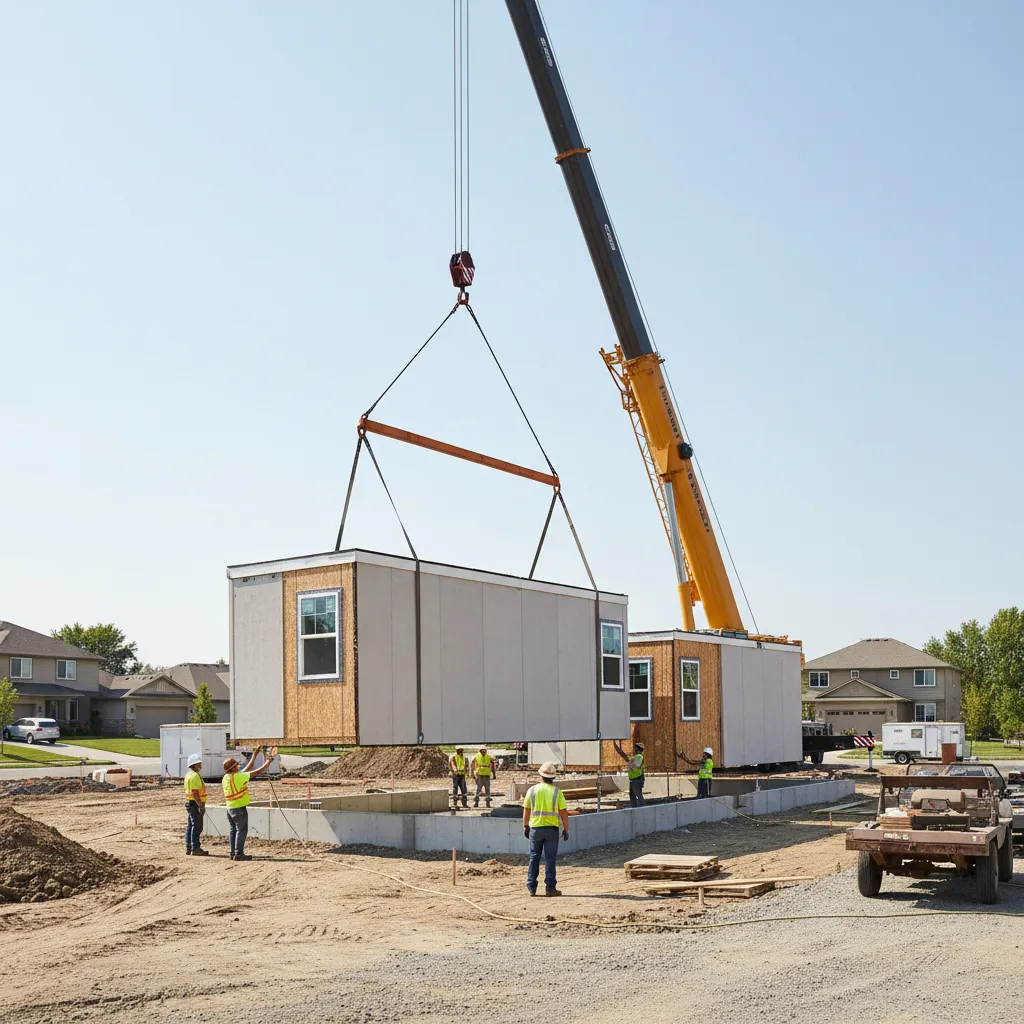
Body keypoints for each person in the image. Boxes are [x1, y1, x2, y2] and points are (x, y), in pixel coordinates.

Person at [221, 745, 277, 861]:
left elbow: (246, 769)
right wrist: (269, 760)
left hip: (230, 808)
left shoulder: (226, 777)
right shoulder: (238, 777)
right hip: (239, 808)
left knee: (233, 830)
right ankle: (239, 853)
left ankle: (233, 853)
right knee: (242, 830)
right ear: (234, 767)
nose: (238, 765)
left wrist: (255, 755)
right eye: (236, 764)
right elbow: (257, 771)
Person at [522, 762, 569, 897]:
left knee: (534, 857)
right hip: (552, 830)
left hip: (535, 829)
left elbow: (526, 809)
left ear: (540, 775)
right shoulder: (557, 792)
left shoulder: (532, 790)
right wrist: (566, 829)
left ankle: (531, 887)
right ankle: (550, 888)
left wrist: (525, 826)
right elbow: (563, 812)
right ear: (553, 777)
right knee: (550, 859)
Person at [184, 753, 209, 856]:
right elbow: (195, 792)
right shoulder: (194, 776)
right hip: (195, 804)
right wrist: (201, 805)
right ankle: (195, 847)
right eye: (199, 764)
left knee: (191, 825)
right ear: (196, 765)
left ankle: (189, 847)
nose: (201, 765)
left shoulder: (189, 775)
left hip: (190, 803)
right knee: (197, 826)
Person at [614, 740, 646, 807]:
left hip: (637, 778)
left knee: (638, 794)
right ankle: (634, 807)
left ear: (637, 749)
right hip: (633, 779)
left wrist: (630, 764)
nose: (634, 749)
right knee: (632, 795)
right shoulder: (635, 757)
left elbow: (636, 766)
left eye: (635, 748)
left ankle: (642, 807)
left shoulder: (639, 756)